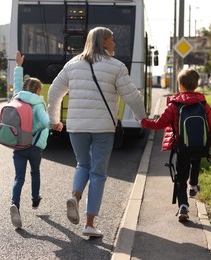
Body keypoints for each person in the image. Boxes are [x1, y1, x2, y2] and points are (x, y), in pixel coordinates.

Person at [47, 27, 147, 237]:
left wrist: (54, 120)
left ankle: (75, 196)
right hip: (102, 128)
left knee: (83, 164)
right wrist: (141, 118)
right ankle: (89, 224)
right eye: (112, 41)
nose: (115, 44)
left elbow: (55, 92)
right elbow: (133, 96)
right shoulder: (116, 67)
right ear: (103, 42)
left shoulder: (72, 64)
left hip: (76, 126)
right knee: (98, 173)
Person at [140, 68, 211, 222]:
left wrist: (143, 121)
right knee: (196, 162)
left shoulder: (174, 105)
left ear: (180, 86)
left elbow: (159, 124)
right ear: (196, 85)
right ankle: (194, 185)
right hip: (200, 147)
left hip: (182, 148)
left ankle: (183, 205)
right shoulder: (204, 105)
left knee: (180, 176)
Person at [9, 51, 63, 228]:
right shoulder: (38, 103)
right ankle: (34, 200)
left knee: (19, 177)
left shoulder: (18, 97)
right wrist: (55, 125)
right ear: (38, 91)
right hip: (34, 147)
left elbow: (16, 83)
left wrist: (18, 66)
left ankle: (15, 204)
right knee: (35, 173)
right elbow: (46, 121)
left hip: (18, 144)